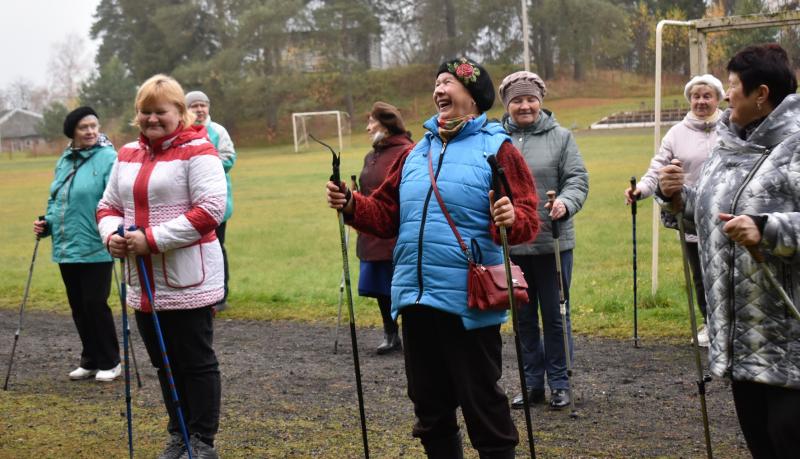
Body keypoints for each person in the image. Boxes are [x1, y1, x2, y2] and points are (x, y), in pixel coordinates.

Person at [327, 57, 539, 459]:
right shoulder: (415, 152)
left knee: (482, 406)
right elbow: (386, 214)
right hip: (415, 298)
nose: (439, 90)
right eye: (436, 83)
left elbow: (528, 218)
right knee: (429, 407)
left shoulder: (498, 148)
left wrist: (512, 217)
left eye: (448, 83)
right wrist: (352, 205)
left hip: (468, 301)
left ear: (473, 96)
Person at [658, 43, 800, 458]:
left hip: (790, 335)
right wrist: (679, 199)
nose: (724, 95)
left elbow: (757, 224)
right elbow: (712, 215)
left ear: (761, 93)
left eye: (732, 85)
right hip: (742, 337)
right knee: (762, 444)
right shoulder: (727, 143)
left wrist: (768, 229)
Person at [98, 74, 226, 459]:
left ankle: (202, 439)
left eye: (161, 112)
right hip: (143, 282)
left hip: (189, 280)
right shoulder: (126, 154)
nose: (152, 119)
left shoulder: (199, 151)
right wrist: (113, 235)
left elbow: (210, 211)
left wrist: (151, 239)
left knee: (195, 362)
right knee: (164, 363)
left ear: (180, 113)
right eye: (145, 112)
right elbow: (108, 207)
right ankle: (179, 433)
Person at [498, 72, 589, 410]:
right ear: (507, 105)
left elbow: (577, 179)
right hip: (512, 245)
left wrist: (565, 203)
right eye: (518, 100)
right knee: (523, 319)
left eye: (530, 99)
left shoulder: (561, 137)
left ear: (540, 101)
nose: (525, 106)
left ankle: (560, 383)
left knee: (554, 315)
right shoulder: (496, 139)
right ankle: (531, 382)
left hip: (553, 243)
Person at [625, 74, 725, 348]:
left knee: (726, 273)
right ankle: (710, 324)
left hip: (727, 216)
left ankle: (729, 325)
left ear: (718, 98)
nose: (701, 101)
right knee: (701, 275)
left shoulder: (730, 127)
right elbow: (658, 168)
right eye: (696, 96)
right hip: (691, 217)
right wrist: (642, 191)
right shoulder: (677, 133)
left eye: (707, 96)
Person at [33, 106, 121, 382]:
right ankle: (91, 359)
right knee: (79, 306)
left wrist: (114, 231)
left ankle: (111, 361)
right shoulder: (64, 160)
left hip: (96, 244)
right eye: (84, 127)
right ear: (72, 131)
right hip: (66, 246)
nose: (91, 131)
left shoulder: (109, 158)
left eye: (94, 125)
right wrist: (46, 223)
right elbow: (56, 199)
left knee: (95, 303)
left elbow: (116, 199)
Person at [356, 101, 414, 354]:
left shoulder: (408, 152)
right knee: (381, 285)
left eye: (371, 122)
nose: (368, 128)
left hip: (398, 230)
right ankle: (391, 333)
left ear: (386, 125)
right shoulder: (372, 155)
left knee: (404, 286)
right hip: (371, 230)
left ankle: (414, 334)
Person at [186, 90, 236, 313]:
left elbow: (228, 158)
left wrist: (204, 167)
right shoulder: (182, 131)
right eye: (194, 105)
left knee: (216, 247)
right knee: (194, 249)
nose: (199, 109)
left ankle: (220, 295)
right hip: (190, 204)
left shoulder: (217, 131)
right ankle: (197, 292)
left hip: (217, 202)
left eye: (202, 105)